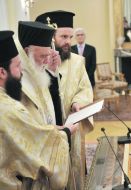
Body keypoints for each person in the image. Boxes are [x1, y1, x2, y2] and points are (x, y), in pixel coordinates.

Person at [0, 30, 79, 190]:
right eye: (17, 66)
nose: (21, 72)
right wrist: (66, 133)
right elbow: (40, 149)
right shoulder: (7, 108)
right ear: (2, 72)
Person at [36, 10, 93, 190]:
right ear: (52, 37)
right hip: (51, 127)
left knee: (74, 170)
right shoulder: (40, 61)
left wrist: (78, 102)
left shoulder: (78, 62)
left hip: (72, 125)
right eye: (64, 36)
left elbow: (84, 88)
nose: (69, 41)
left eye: (71, 36)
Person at [17, 21, 62, 126]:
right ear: (27, 51)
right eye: (42, 56)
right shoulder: (18, 80)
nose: (47, 61)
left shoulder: (37, 72)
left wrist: (52, 70)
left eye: (48, 55)